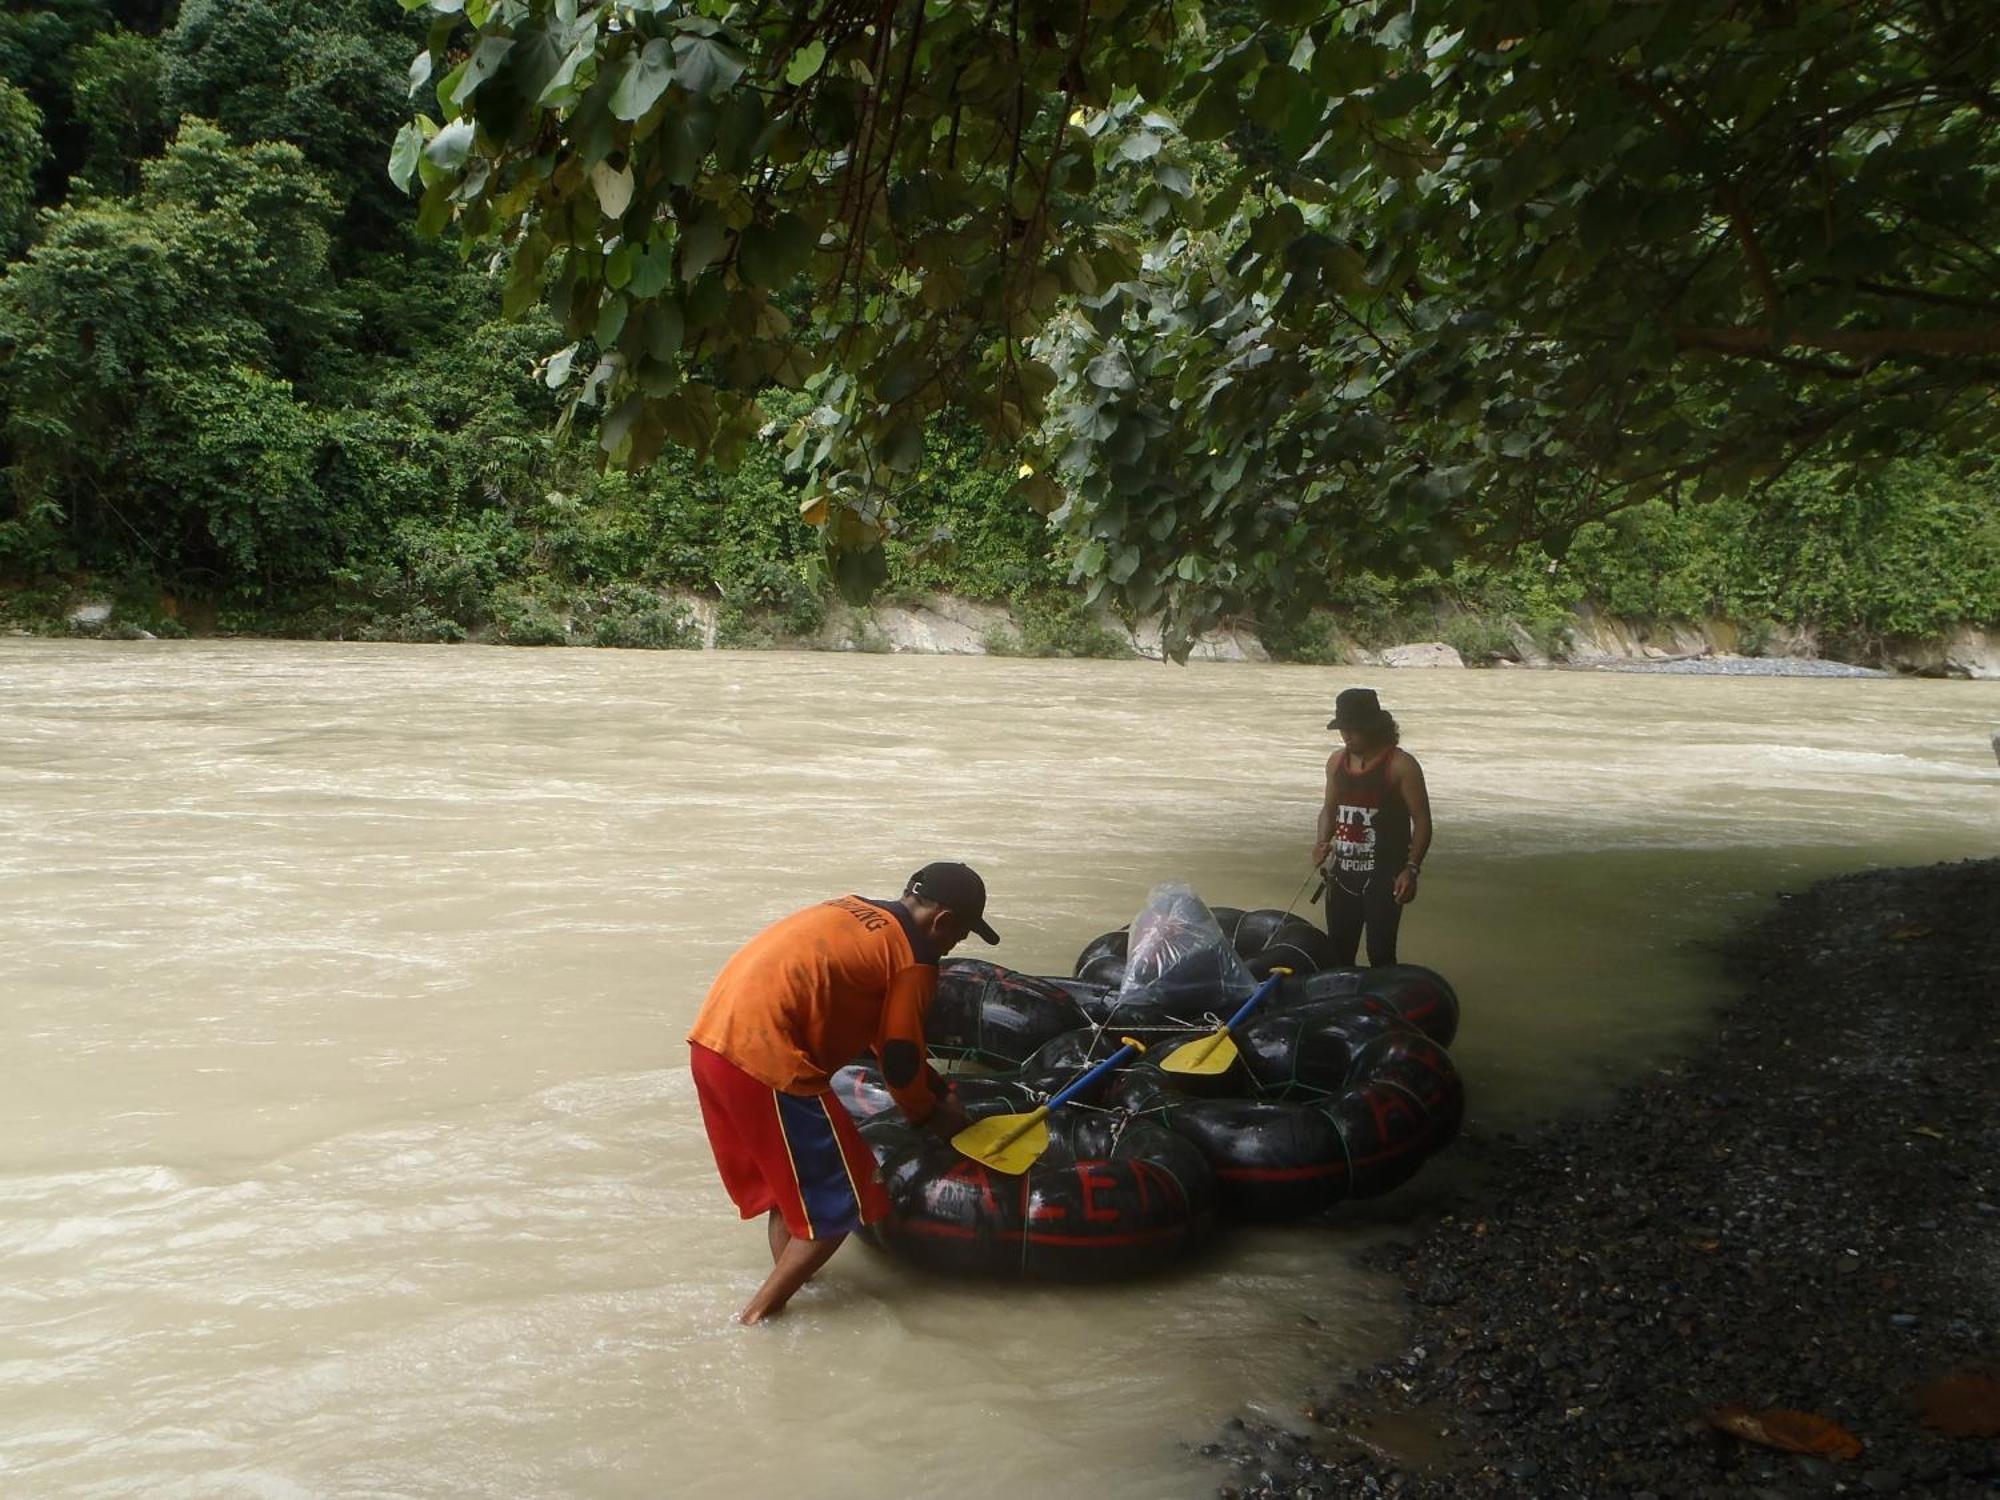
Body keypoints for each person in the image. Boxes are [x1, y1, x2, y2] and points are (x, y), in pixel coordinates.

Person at [686, 862, 995, 1324]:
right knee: (842, 1206)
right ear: (942, 921)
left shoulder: (854, 911)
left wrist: (932, 1087)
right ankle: (757, 1319)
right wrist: (934, 1117)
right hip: (767, 1061)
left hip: (713, 1046)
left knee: (793, 1195)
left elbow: (883, 1033)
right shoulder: (915, 957)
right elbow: (900, 1061)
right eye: (959, 936)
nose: (953, 947)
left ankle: (797, 1286)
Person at [1310, 688, 1431, 967]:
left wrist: (1411, 869)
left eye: (1353, 729)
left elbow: (1422, 821)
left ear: (1373, 728)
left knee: (1381, 953)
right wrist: (1321, 843)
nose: (1346, 736)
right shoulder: (1336, 762)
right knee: (1338, 954)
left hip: (1384, 878)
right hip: (1342, 876)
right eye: (1343, 729)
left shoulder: (1401, 766)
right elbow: (1329, 810)